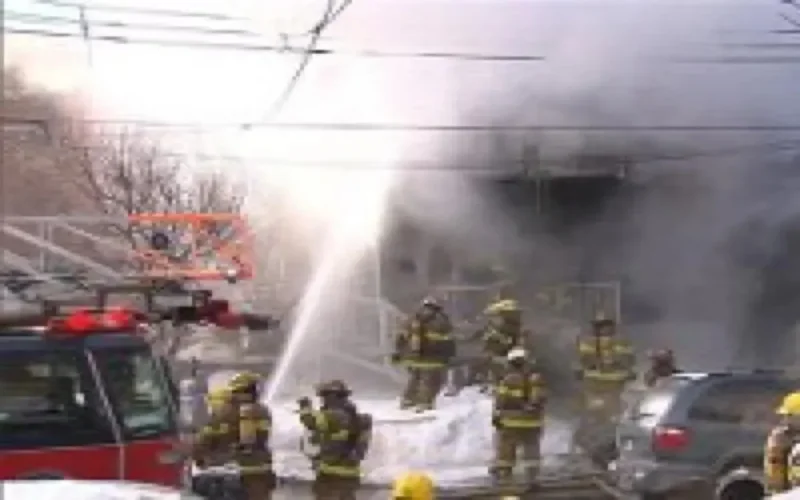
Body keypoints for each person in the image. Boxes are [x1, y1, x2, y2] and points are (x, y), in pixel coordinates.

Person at [191, 371, 275, 500]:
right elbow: (263, 437)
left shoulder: (222, 413)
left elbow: (203, 442)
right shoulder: (263, 411)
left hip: (229, 472)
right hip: (259, 472)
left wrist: (200, 459)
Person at [298, 379, 372, 500]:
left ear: (333, 396)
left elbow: (310, 421)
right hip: (351, 474)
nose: (323, 400)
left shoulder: (333, 415)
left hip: (331, 475)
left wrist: (304, 405)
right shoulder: (356, 417)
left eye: (324, 396)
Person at [491, 346, 546, 483]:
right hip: (533, 423)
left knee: (506, 449)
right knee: (532, 449)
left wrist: (496, 416)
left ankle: (504, 475)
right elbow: (541, 399)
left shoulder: (508, 380)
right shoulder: (537, 379)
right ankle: (532, 476)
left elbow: (500, 401)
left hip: (511, 423)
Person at [397, 297, 456, 412]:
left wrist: (401, 352)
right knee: (430, 378)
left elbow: (401, 336)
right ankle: (424, 402)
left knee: (415, 376)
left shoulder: (413, 318)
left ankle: (407, 400)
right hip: (432, 355)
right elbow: (448, 337)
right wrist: (449, 354)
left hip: (413, 354)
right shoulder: (440, 319)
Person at [475, 298, 526, 392]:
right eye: (492, 317)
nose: (492, 320)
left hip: (511, 365)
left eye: (494, 317)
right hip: (501, 365)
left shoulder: (513, 330)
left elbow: (517, 348)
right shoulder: (493, 331)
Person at [765, 391, 800, 494]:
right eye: (785, 416)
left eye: (789, 415)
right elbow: (774, 477)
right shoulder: (779, 438)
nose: (785, 420)